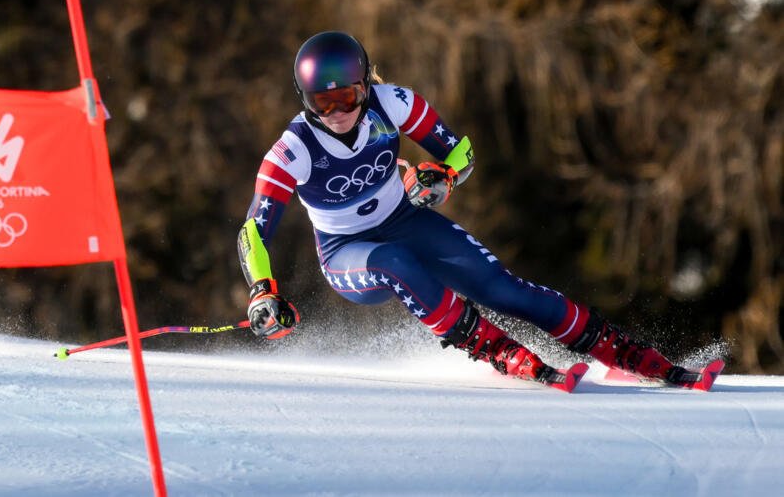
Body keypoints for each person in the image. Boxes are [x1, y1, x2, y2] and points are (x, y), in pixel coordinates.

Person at [236, 30, 689, 386]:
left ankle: (623, 351)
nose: (337, 112)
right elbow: (253, 231)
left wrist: (444, 175)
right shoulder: (292, 150)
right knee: (394, 262)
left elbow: (461, 149)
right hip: (345, 254)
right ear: (304, 100)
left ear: (363, 86)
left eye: (348, 97)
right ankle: (496, 350)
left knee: (502, 289)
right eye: (323, 102)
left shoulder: (393, 103)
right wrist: (263, 291)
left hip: (405, 222)